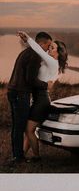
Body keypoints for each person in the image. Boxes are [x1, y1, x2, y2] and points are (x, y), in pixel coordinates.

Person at [17, 31, 68, 162]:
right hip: (39, 98)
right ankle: (22, 154)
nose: (49, 49)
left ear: (58, 52)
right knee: (30, 130)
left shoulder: (52, 62)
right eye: (49, 46)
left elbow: (38, 50)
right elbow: (40, 50)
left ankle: (36, 157)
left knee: (28, 130)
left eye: (52, 47)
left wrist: (27, 38)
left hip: (41, 100)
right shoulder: (52, 62)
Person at [7, 31, 52, 164]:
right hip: (21, 94)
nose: (47, 49)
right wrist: (45, 85)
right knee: (20, 127)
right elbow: (30, 79)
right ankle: (18, 157)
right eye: (47, 46)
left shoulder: (26, 52)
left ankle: (17, 155)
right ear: (41, 43)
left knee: (17, 126)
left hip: (13, 91)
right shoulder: (35, 55)